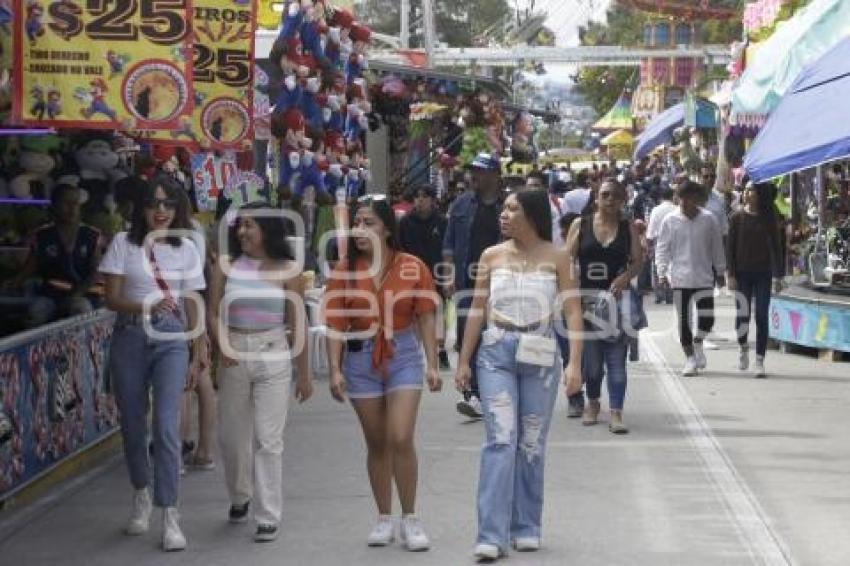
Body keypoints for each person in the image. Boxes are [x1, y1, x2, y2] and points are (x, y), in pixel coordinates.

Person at [454, 188, 583, 560]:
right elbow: (476, 308)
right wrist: (464, 360)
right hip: (496, 351)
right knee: (500, 439)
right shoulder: (491, 256)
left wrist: (574, 362)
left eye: (513, 209)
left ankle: (526, 526)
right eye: (505, 207)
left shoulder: (557, 257)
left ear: (532, 214)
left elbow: (573, 312)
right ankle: (491, 534)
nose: (504, 214)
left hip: (541, 354)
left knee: (530, 443)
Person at [323, 195, 442, 551]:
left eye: (369, 223)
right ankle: (383, 518)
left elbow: (424, 314)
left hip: (403, 353)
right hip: (360, 359)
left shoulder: (411, 266)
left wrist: (433, 365)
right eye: (357, 222)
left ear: (387, 228)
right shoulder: (345, 269)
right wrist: (333, 369)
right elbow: (334, 321)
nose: (361, 229)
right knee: (376, 443)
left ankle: (411, 518)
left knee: (400, 436)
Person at [99, 174, 207, 552]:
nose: (160, 211)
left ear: (177, 208)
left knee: (165, 424)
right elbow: (111, 299)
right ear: (141, 208)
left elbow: (192, 300)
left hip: (170, 338)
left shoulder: (186, 248)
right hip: (129, 334)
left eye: (167, 203)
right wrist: (144, 304)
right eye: (153, 203)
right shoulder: (122, 244)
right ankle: (141, 493)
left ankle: (170, 513)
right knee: (131, 424)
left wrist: (200, 346)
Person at [207, 202, 313, 542]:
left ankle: (268, 515)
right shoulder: (225, 266)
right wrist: (222, 343)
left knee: (269, 440)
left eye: (249, 225)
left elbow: (298, 324)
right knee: (231, 438)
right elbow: (210, 312)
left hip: (273, 353)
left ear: (266, 229)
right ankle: (240, 495)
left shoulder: (289, 269)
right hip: (234, 353)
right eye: (240, 226)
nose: (242, 232)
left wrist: (305, 373)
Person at [566, 178, 643, 433]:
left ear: (623, 200)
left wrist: (623, 279)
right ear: (596, 198)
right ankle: (593, 402)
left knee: (616, 360)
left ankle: (617, 412)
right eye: (605, 195)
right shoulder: (581, 224)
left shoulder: (628, 227)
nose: (610, 201)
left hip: (616, 305)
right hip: (585, 302)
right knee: (592, 363)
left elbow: (638, 262)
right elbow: (566, 260)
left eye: (616, 196)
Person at [443, 153, 504, 419]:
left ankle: (499, 392)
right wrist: (447, 275)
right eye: (473, 171)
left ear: (495, 175)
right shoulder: (461, 204)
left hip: (503, 284)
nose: (474, 176)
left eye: (480, 171)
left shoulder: (510, 205)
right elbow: (448, 244)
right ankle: (475, 395)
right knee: (470, 338)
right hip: (468, 283)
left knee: (499, 339)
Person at [656, 180, 727, 377]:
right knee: (684, 321)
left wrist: (721, 271)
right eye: (680, 198)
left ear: (697, 199)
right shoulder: (670, 221)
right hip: (679, 278)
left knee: (707, 318)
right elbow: (662, 248)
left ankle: (698, 344)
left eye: (688, 198)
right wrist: (662, 273)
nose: (684, 203)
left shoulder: (709, 219)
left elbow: (717, 247)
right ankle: (689, 359)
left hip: (704, 276)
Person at [8, 184, 102, 327]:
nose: (72, 208)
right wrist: (12, 284)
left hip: (82, 295)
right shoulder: (42, 236)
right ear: (54, 205)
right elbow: (30, 267)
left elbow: (96, 273)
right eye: (67, 203)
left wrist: (75, 295)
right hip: (50, 295)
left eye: (75, 203)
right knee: (35, 313)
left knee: (81, 310)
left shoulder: (91, 235)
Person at [727, 182, 785, 377]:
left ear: (760, 195)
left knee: (761, 315)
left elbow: (777, 247)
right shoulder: (736, 217)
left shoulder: (769, 218)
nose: (747, 193)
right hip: (742, 274)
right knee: (742, 316)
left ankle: (759, 360)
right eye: (745, 190)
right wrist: (731, 275)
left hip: (763, 273)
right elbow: (730, 250)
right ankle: (743, 347)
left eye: (751, 190)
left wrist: (778, 275)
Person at [399, 185, 450, 369]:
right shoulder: (405, 222)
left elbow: (448, 250)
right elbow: (400, 249)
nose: (420, 200)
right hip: (412, 276)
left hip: (436, 273)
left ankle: (441, 351)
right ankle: (415, 353)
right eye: (417, 196)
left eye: (424, 196)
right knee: (415, 314)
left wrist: (448, 275)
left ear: (432, 200)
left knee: (437, 312)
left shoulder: (442, 221)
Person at [646, 186, 677, 304]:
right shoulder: (677, 209)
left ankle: (659, 295)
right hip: (674, 243)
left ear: (661, 197)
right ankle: (670, 295)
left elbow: (651, 230)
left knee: (657, 268)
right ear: (672, 196)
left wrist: (649, 245)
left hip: (658, 243)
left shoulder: (656, 210)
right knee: (671, 268)